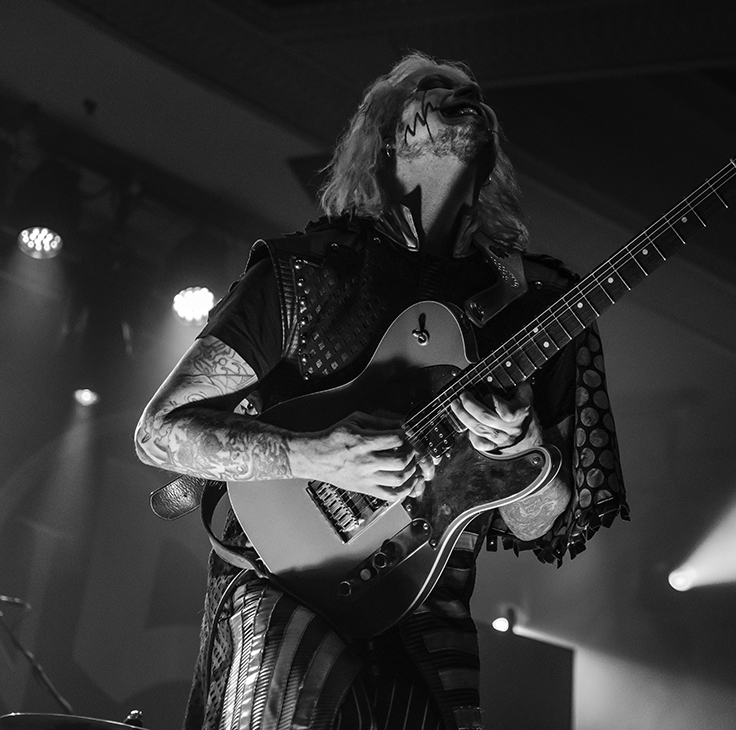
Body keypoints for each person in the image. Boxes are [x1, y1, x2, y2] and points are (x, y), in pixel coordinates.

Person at [135, 51, 627, 730]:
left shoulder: (534, 307)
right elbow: (159, 432)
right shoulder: (309, 272)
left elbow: (535, 522)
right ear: (390, 134)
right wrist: (316, 456)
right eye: (434, 91)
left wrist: (529, 450)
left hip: (431, 615)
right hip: (283, 592)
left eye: (472, 94)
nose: (463, 96)